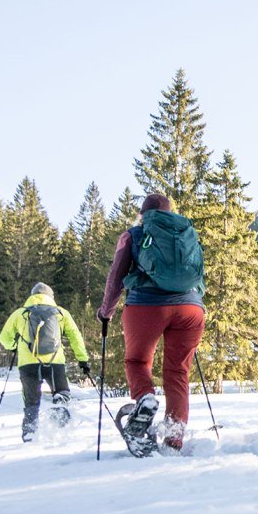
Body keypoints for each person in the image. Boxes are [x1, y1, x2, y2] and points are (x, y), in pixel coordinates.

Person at [98, 192, 206, 451]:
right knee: (178, 372)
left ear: (142, 214)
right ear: (169, 212)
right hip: (192, 308)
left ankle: (145, 398)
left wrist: (106, 312)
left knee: (137, 361)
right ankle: (174, 439)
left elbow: (116, 278)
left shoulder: (134, 234)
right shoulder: (186, 233)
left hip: (147, 305)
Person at [0, 282, 90, 442]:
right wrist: (82, 359)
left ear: (32, 296)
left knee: (31, 402)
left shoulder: (20, 314)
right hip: (55, 362)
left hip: (28, 365)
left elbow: (4, 338)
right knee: (62, 393)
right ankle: (61, 427)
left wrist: (14, 346)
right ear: (51, 297)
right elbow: (76, 337)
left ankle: (29, 435)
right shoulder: (61, 313)